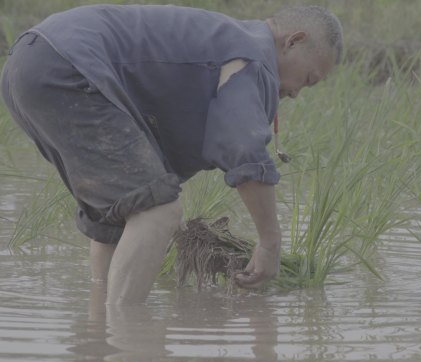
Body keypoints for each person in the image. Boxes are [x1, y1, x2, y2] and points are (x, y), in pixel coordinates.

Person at [0, 4, 343, 304]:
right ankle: (127, 336)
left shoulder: (227, 40)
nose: (297, 93)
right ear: (293, 41)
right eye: (309, 79)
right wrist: (270, 243)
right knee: (159, 210)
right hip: (69, 64)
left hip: (29, 63)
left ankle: (100, 337)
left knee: (123, 214)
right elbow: (243, 147)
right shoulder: (253, 57)